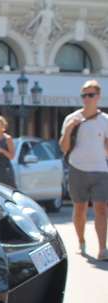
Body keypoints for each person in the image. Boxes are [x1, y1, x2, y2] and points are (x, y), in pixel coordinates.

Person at [59, 79, 108, 260]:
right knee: (79, 208)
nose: (87, 98)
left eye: (90, 95)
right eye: (84, 95)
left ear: (98, 97)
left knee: (101, 208)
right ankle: (81, 241)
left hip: (100, 170)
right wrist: (70, 128)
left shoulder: (104, 120)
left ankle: (103, 248)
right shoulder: (71, 118)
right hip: (77, 168)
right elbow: (64, 147)